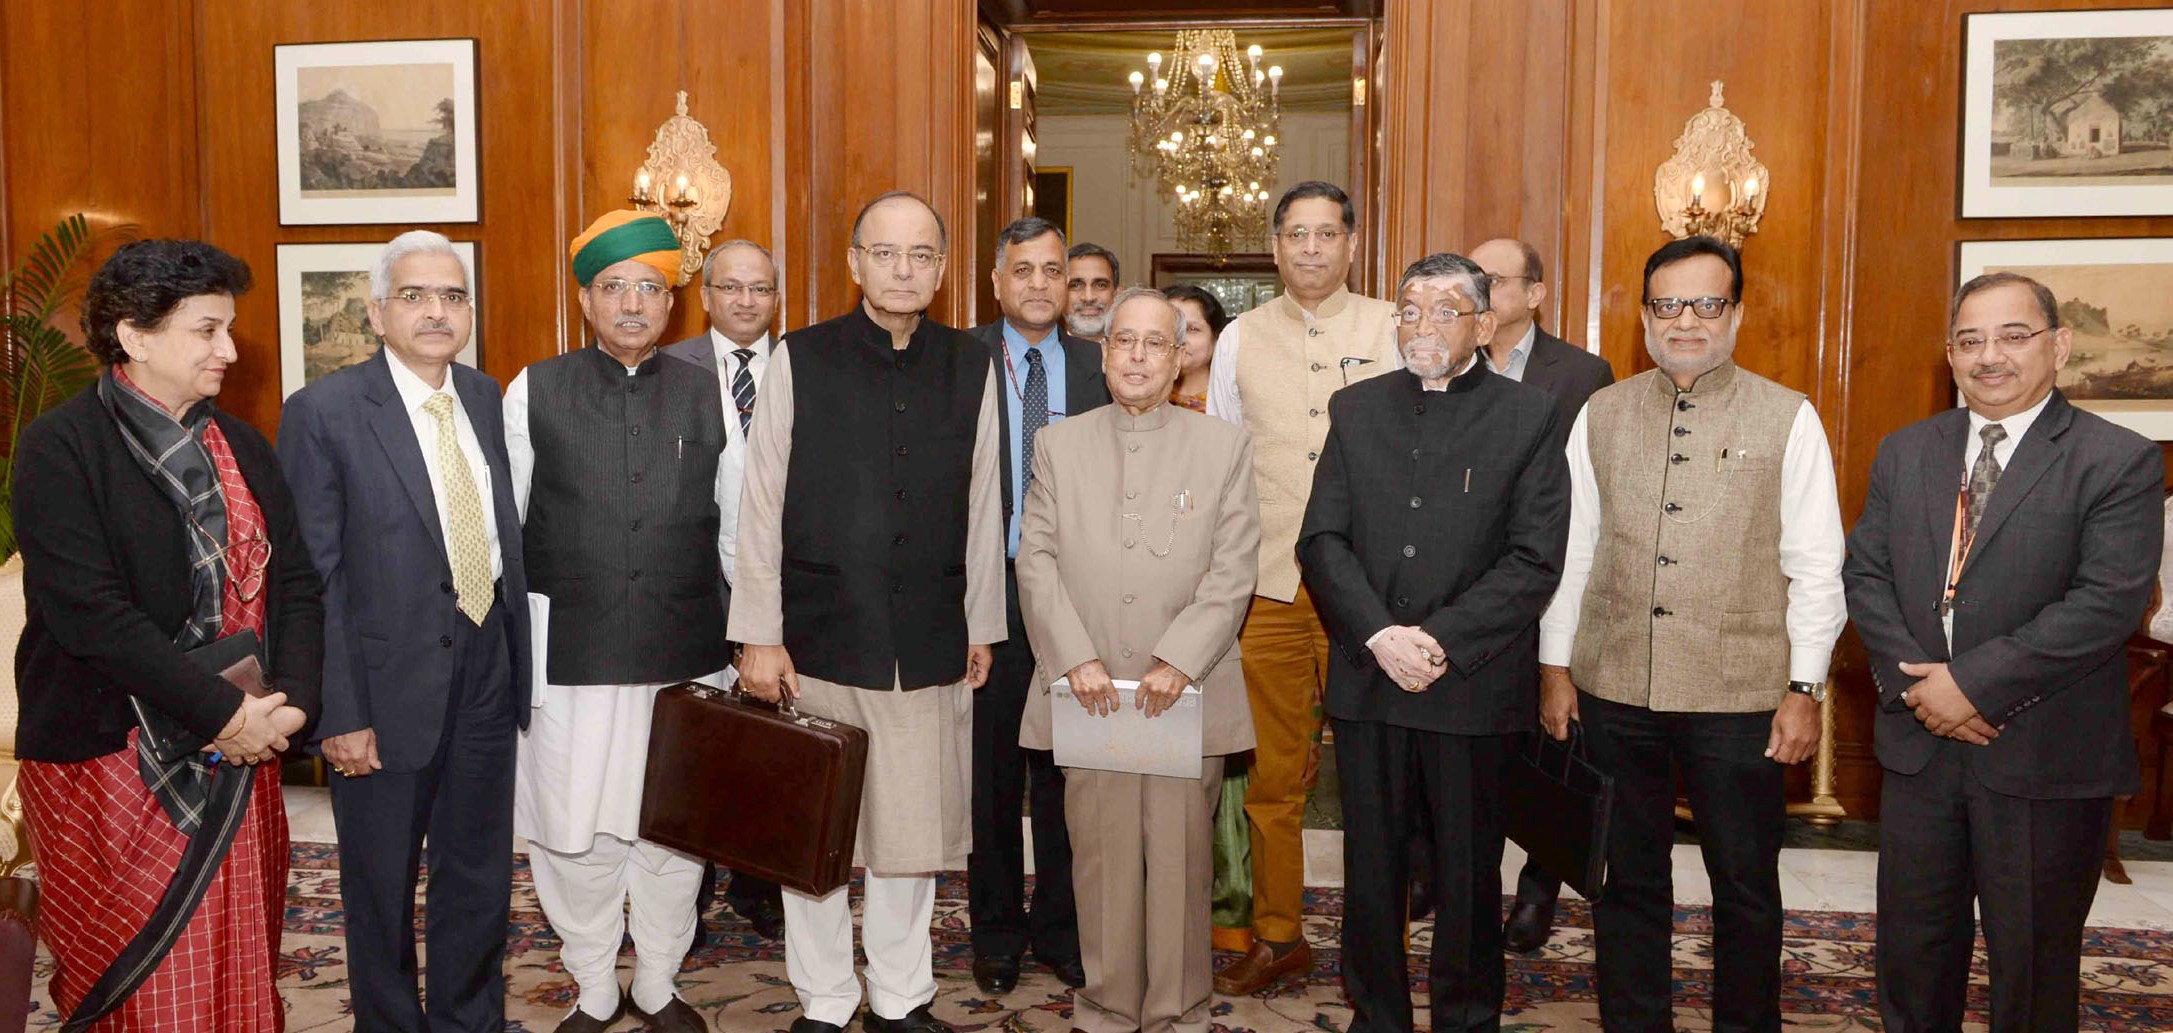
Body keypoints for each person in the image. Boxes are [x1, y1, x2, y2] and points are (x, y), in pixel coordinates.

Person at [1536, 235, 1846, 1033]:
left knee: (1744, 881)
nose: (1685, 321)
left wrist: (1803, 686)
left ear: (1736, 314)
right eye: (1667, 304)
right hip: (1613, 690)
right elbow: (1573, 548)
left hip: (1739, 693)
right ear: (1643, 316)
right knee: (1623, 879)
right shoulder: (1599, 413)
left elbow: (1816, 564)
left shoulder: (1788, 416)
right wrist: (1554, 666)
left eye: (1706, 304)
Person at [12, 238, 322, 1030]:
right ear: (134, 334)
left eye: (229, 328)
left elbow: (295, 585)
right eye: (206, 329)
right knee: (139, 981)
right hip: (112, 756)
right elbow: (91, 614)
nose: (229, 348)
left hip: (245, 744)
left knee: (240, 963)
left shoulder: (244, 445)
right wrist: (226, 713)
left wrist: (286, 710)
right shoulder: (63, 447)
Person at [1844, 272, 2162, 1033]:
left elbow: (2105, 602)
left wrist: (1971, 686)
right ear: (1949, 354)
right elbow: (1866, 572)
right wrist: (1922, 691)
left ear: (2059, 346)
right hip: (1920, 749)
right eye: (1969, 338)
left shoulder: (2115, 459)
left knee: (2031, 969)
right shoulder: (1905, 450)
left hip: (2043, 754)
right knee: (1911, 961)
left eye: (2012, 335)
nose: (1989, 355)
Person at [732, 191, 1004, 1033]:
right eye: (885, 253)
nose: (903, 269)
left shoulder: (969, 362)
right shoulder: (800, 358)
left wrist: (982, 624)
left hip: (927, 638)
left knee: (909, 840)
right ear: (853, 263)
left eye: (920, 254)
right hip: (817, 637)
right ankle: (823, 997)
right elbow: (761, 500)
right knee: (817, 837)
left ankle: (898, 995)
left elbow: (984, 500)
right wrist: (758, 633)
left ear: (943, 268)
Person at [1297, 253, 1569, 1032]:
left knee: (1468, 867)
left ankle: (1465, 1014)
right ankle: (1375, 1012)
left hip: (1473, 685)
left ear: (1484, 325)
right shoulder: (1355, 407)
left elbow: (1532, 558)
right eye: (1409, 310)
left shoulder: (1529, 414)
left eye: (1444, 310)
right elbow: (1321, 538)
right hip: (1370, 675)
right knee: (1371, 866)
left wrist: (1439, 641)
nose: (1421, 325)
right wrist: (1380, 633)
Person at [279, 230, 529, 1032]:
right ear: (377, 311)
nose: (436, 311)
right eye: (416, 296)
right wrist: (339, 710)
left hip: (487, 667)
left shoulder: (484, 396)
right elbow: (315, 577)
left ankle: (468, 1020)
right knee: (379, 881)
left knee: (479, 875)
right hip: (381, 692)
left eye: (452, 296)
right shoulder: (323, 411)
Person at [1015, 286, 1260, 1033]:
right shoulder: (1058, 442)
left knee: (1181, 859)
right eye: (1124, 340)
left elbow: (1233, 570)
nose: (1138, 356)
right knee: (1100, 857)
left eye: (1157, 342)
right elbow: (1037, 560)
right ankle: (1107, 1002)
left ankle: (1177, 1006)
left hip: (1183, 691)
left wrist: (1180, 659)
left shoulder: (1223, 446)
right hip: (1087, 690)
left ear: (1182, 354)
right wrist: (1072, 657)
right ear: (1102, 349)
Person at [509, 210, 730, 1033]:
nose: (633, 304)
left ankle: (661, 981)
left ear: (672, 302)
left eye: (650, 288)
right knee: (573, 832)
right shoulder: (535, 386)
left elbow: (737, 521)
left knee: (672, 833)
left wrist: (751, 639)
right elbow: (512, 531)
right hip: (571, 651)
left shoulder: (707, 390)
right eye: (614, 288)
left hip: (686, 651)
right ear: (585, 301)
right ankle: (594, 981)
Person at [1205, 180, 1400, 992]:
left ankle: (1374, 947)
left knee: (1377, 782)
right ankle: (1279, 935)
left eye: (1326, 234)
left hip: (1374, 598)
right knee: (1274, 780)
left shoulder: (1395, 325)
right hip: (1270, 593)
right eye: (1295, 235)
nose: (1311, 249)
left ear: (1352, 244)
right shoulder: (1238, 338)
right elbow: (1219, 463)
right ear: (1274, 246)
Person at [963, 215, 1103, 995]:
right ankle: (995, 932)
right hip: (987, 600)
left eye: (1054, 269)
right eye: (1024, 270)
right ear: (996, 281)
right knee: (989, 779)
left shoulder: (1098, 367)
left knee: (1064, 777)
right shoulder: (958, 362)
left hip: (1075, 603)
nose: (1041, 284)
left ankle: (1060, 927)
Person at [1466, 236, 1614, 952]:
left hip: (1549, 577)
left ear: (1535, 292)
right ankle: (1449, 868)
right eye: (1472, 278)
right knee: (1467, 736)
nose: (1479, 291)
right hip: (1461, 586)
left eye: (1492, 280)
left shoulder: (1582, 374)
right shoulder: (1442, 355)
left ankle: (1536, 888)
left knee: (1550, 737)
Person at [662, 239, 790, 942]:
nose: (746, 301)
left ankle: (762, 881)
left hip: (777, 589)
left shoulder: (806, 368)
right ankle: (690, 890)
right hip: (688, 589)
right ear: (705, 296)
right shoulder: (666, 367)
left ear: (777, 298)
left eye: (761, 289)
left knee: (773, 747)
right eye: (731, 288)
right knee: (696, 747)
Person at [1164, 284, 1227, 414]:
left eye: (1192, 329)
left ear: (1216, 338)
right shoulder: (1137, 398)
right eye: (1169, 328)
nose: (1179, 339)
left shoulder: (1230, 404)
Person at [1065, 243, 1120, 343]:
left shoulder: (1136, 355)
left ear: (1117, 294)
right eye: (1075, 285)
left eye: (1101, 285)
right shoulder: (1040, 354)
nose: (1088, 297)